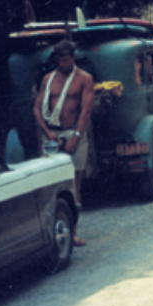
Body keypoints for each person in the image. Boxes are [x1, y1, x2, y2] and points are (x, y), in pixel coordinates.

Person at [33, 39, 92, 244]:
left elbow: (85, 111)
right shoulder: (48, 79)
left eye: (66, 60)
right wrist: (48, 133)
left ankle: (73, 231)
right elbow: (37, 108)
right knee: (50, 183)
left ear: (73, 57)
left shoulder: (84, 79)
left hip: (73, 132)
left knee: (74, 185)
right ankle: (51, 231)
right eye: (59, 60)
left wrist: (76, 137)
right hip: (51, 135)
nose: (62, 64)